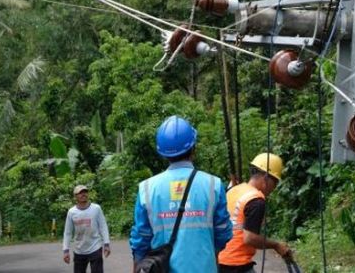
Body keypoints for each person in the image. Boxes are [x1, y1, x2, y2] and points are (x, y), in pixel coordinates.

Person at [129, 115, 233, 273]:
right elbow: (223, 232)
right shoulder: (214, 185)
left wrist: (137, 266)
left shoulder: (147, 188)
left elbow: (141, 238)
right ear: (193, 148)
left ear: (162, 153)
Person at [218, 153, 292, 273]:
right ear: (266, 178)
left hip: (218, 259)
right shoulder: (256, 200)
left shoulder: (234, 191)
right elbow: (250, 238)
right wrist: (276, 245)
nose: (274, 188)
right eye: (275, 182)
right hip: (236, 264)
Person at [62, 185, 111, 273]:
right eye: (80, 193)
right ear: (75, 196)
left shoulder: (96, 208)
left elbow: (103, 226)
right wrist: (66, 250)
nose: (83, 194)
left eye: (85, 192)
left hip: (95, 247)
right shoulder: (71, 212)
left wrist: (106, 244)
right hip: (79, 250)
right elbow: (68, 233)